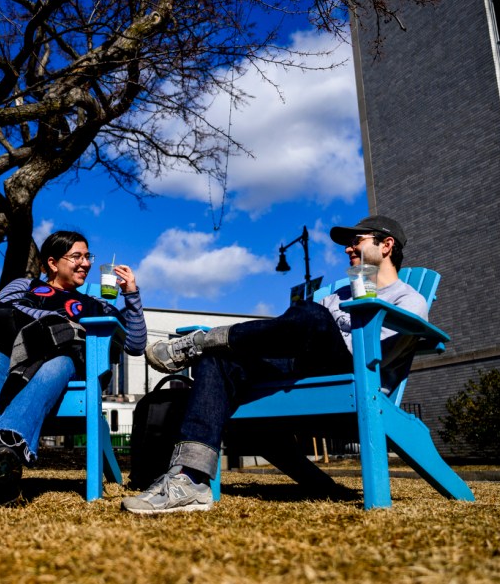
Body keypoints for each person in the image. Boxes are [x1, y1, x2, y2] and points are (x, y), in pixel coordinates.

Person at [121, 215, 427, 514]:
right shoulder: (335, 297)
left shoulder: (407, 301)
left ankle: (205, 340)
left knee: (310, 314)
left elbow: (375, 358)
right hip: (299, 372)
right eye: (347, 244)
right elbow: (289, 333)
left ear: (386, 245)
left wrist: (357, 313)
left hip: (354, 378)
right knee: (220, 359)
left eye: (356, 241)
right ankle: (190, 479)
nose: (348, 249)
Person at [0, 230, 147, 506]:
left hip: (67, 369)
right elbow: (2, 309)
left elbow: (135, 344)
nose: (86, 263)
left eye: (88, 256)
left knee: (59, 361)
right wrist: (60, 322)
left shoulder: (96, 305)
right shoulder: (25, 286)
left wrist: (131, 295)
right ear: (53, 263)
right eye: (77, 256)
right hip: (13, 363)